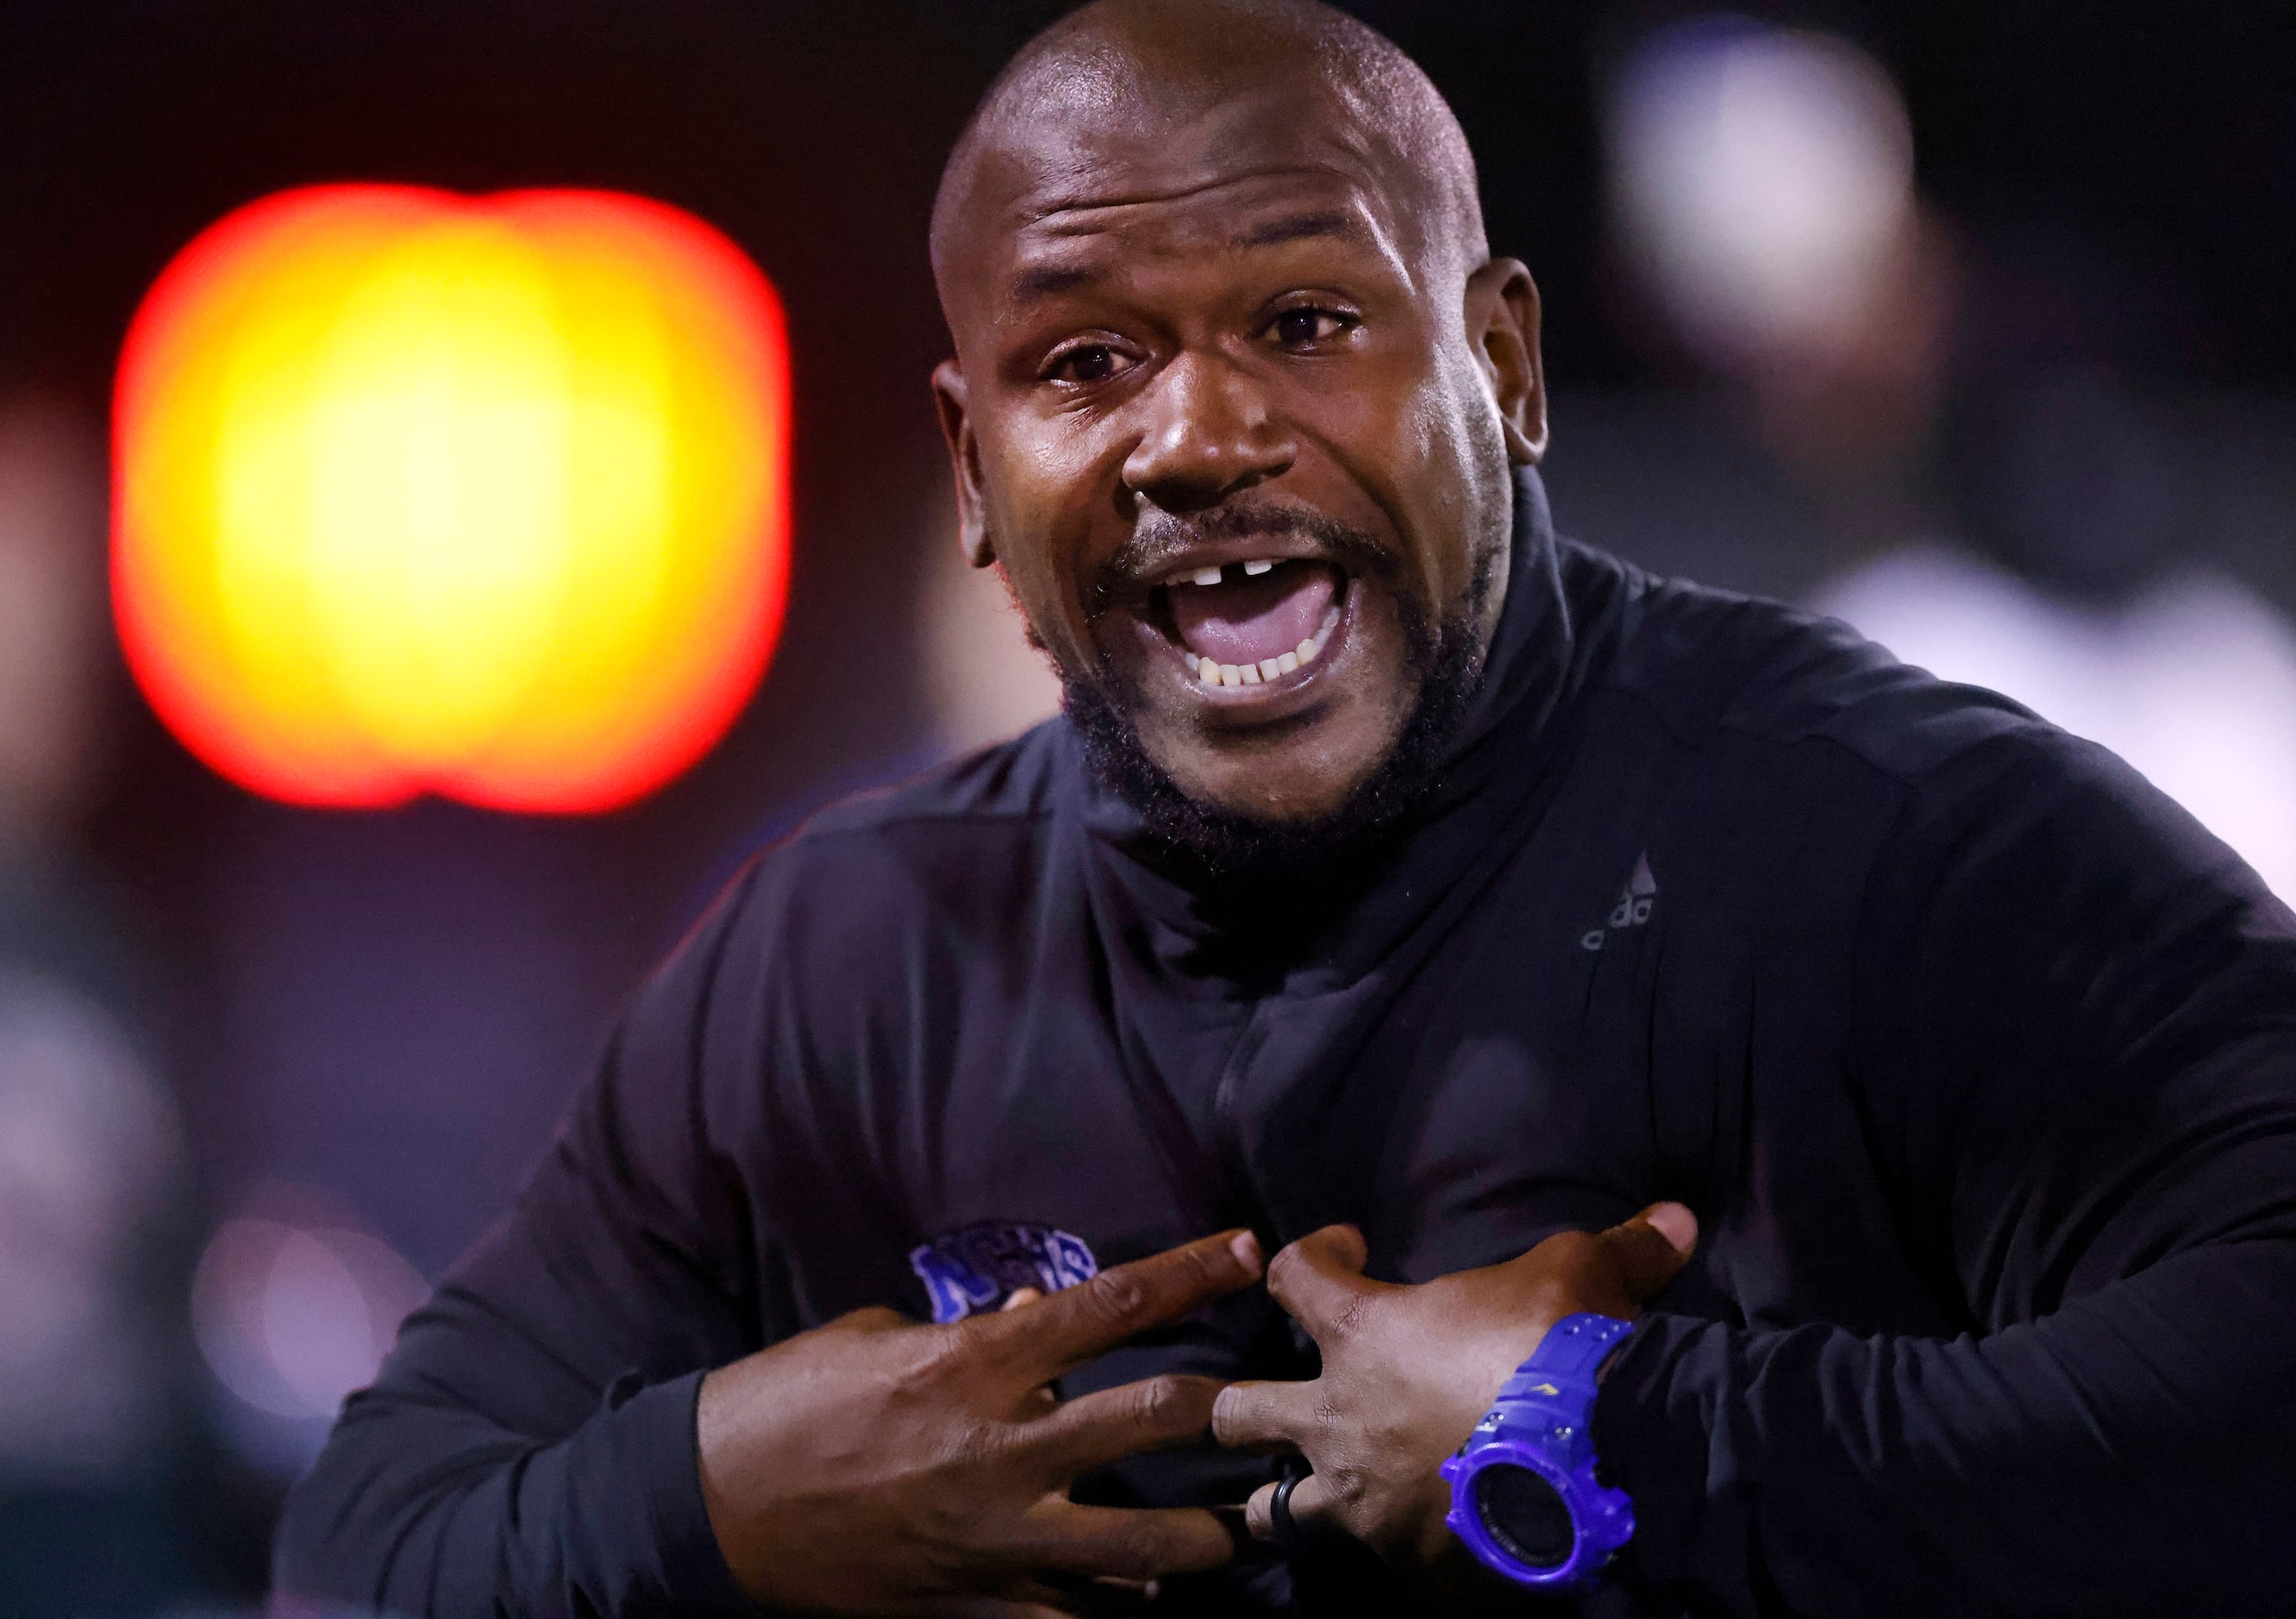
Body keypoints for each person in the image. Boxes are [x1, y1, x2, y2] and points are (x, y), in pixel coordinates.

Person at [275, 2, 2296, 1613]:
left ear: (1500, 363)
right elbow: (369, 1541)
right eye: (1086, 362)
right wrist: (705, 1506)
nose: (1199, 435)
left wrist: (1616, 1444)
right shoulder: (846, 952)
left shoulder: (1883, 839)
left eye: (1306, 325)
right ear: (973, 471)